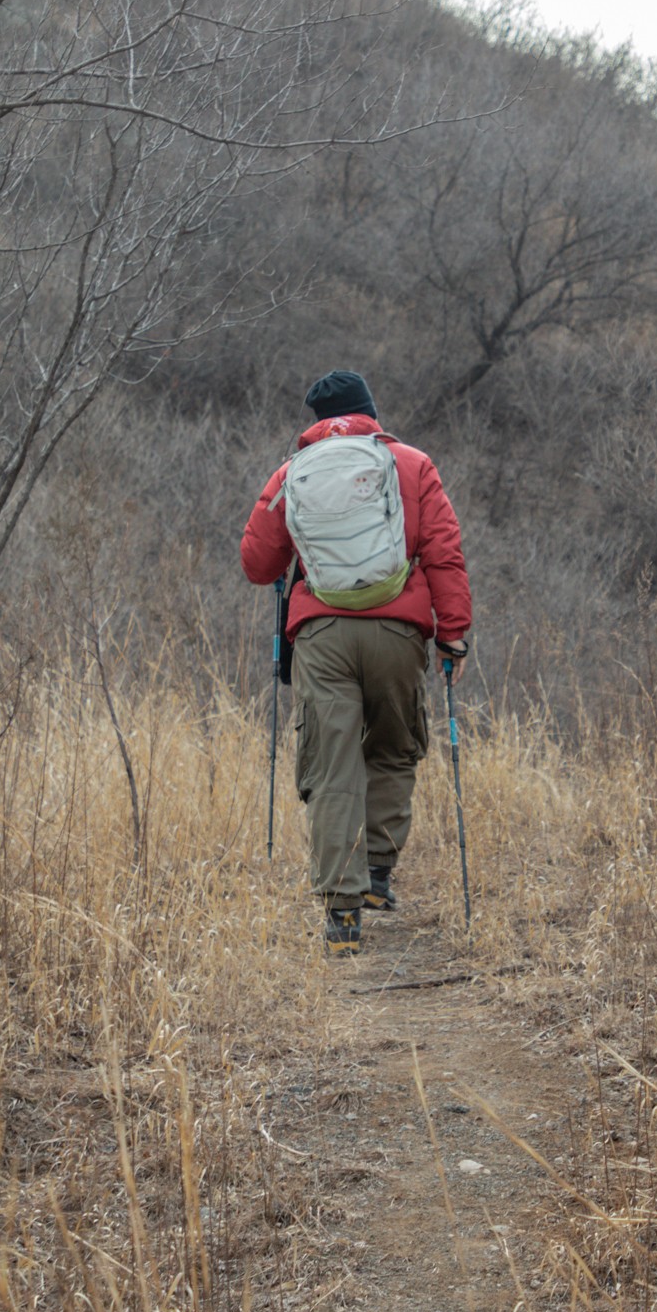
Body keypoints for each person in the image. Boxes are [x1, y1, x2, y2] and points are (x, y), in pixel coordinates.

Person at [241, 369, 472, 957]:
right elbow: (443, 551)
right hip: (399, 632)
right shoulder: (413, 464)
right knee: (394, 747)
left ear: (314, 419)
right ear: (371, 410)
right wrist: (454, 637)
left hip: (321, 634)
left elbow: (258, 563)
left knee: (332, 762)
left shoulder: (293, 472)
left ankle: (341, 912)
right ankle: (375, 873)